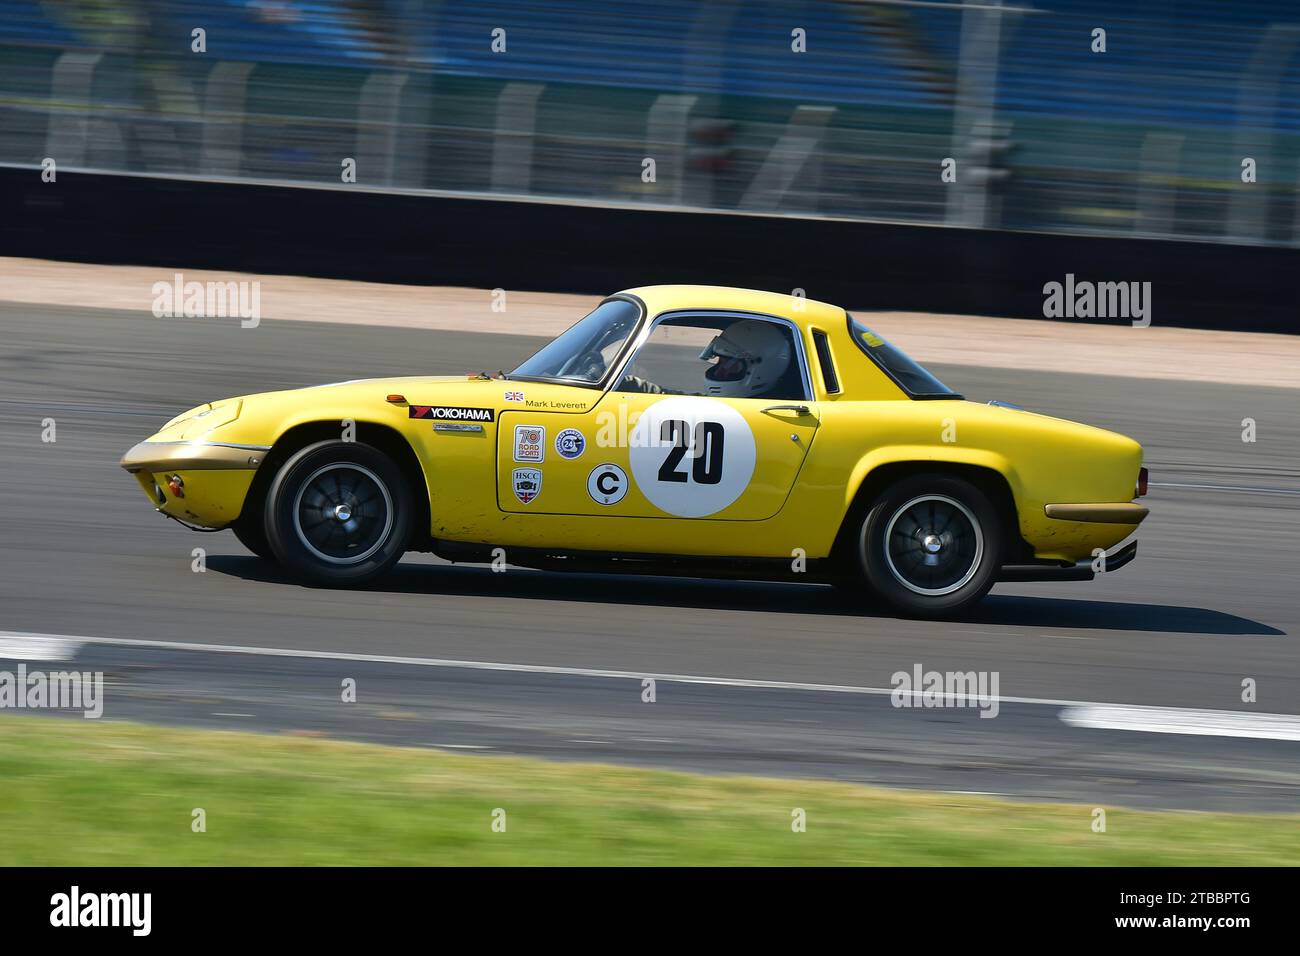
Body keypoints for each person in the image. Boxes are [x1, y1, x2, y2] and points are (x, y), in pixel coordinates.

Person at [618, 319, 793, 398]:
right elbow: (667, 398)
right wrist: (626, 383)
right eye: (720, 361)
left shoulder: (766, 418)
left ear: (758, 371)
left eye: (731, 364)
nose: (719, 371)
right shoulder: (719, 404)